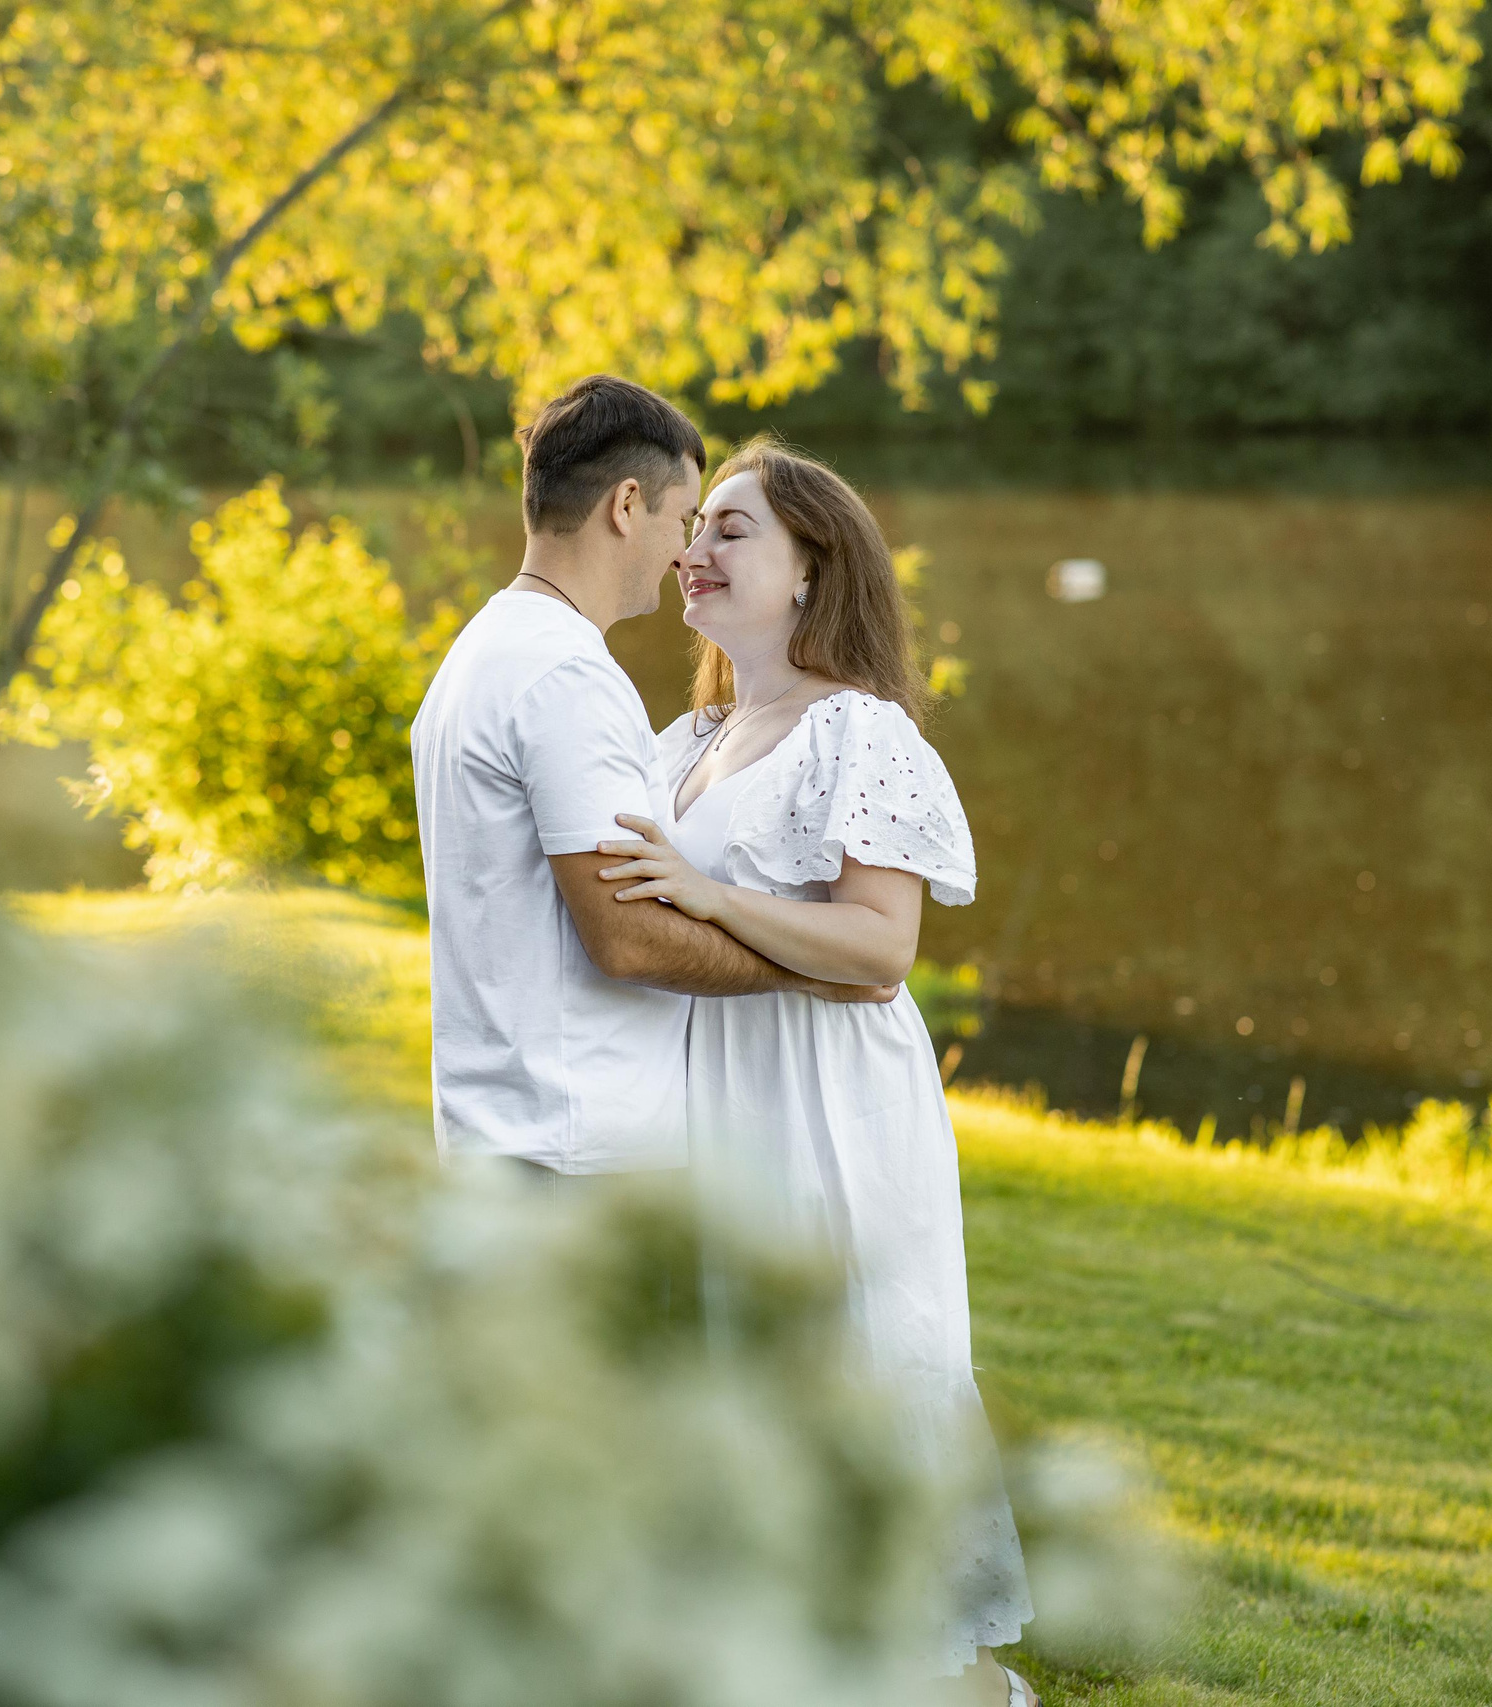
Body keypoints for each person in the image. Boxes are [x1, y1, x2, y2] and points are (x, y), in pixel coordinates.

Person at [590, 434, 1040, 1704]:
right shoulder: (686, 735)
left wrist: (702, 894)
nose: (694, 550)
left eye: (734, 529)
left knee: (844, 1358)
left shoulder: (862, 734)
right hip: (706, 1099)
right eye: (695, 527)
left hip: (827, 1101)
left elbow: (879, 948)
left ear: (810, 567)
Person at [409, 380, 896, 1187]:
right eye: (684, 520)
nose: (685, 553)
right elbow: (628, 937)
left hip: (505, 1130)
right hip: (572, 1148)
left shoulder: (479, 653)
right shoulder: (567, 676)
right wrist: (811, 973)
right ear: (626, 505)